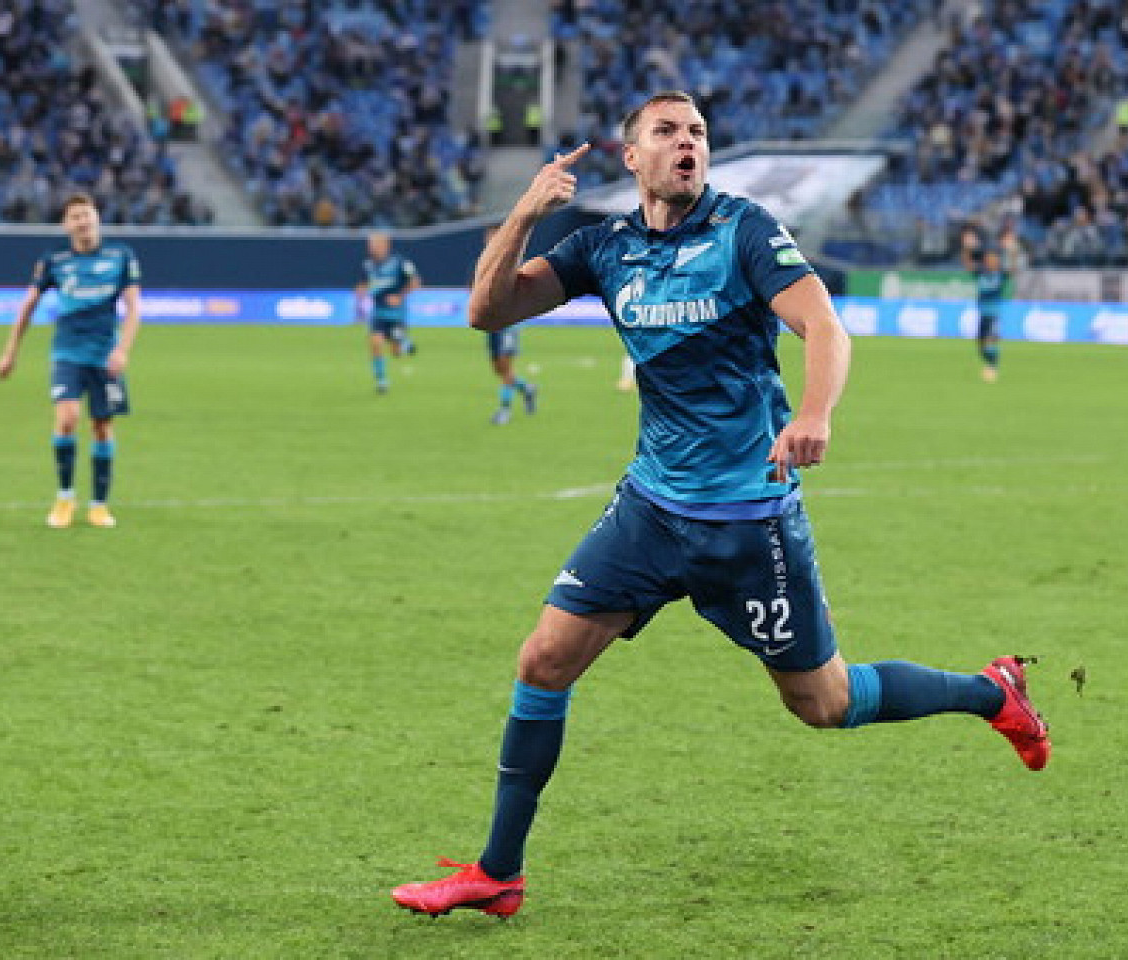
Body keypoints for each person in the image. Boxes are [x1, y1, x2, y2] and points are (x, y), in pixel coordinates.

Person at [391, 91, 1050, 919]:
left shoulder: (743, 231)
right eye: (667, 132)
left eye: (698, 132)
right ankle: (499, 873)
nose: (687, 143)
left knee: (824, 704)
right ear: (633, 157)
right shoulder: (603, 247)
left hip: (748, 523)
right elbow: (486, 312)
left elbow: (824, 326)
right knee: (543, 661)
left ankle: (992, 693)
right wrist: (524, 214)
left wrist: (815, 414)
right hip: (649, 512)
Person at [0, 191, 142, 529]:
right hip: (67, 352)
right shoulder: (54, 261)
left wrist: (122, 350)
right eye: (75, 216)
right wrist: (10, 352)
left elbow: (134, 308)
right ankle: (65, 498)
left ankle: (99, 505)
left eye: (87, 214)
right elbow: (27, 306)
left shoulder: (121, 256)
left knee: (102, 426)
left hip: (105, 355)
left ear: (97, 218)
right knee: (67, 418)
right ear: (65, 225)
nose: (82, 221)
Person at [481, 225, 539, 425]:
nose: (490, 242)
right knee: (498, 368)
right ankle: (527, 389)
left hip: (507, 322)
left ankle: (504, 410)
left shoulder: (511, 261)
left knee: (505, 367)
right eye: (488, 238)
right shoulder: (483, 263)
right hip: (492, 322)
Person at [356, 231, 421, 393]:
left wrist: (399, 296)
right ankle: (382, 381)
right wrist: (360, 293)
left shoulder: (401, 262)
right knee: (375, 343)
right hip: (378, 313)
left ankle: (404, 344)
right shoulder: (367, 265)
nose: (372, 248)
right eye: (371, 245)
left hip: (396, 313)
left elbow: (415, 282)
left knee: (395, 352)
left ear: (386, 245)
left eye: (376, 245)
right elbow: (363, 284)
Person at [964, 244, 1008, 382]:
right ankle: (990, 364)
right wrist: (967, 249)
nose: (990, 262)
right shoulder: (981, 273)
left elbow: (1013, 268)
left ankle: (992, 367)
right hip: (982, 313)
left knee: (990, 341)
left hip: (994, 313)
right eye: (988, 259)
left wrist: (1012, 251)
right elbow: (968, 265)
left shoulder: (1001, 274)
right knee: (981, 346)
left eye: (992, 259)